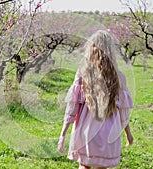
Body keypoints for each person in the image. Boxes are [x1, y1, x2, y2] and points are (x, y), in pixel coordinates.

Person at [57, 30, 134, 169]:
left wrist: (63, 134)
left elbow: (73, 107)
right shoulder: (119, 77)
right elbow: (123, 111)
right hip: (109, 135)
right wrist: (128, 133)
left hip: (86, 132)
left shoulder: (83, 73)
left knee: (84, 166)